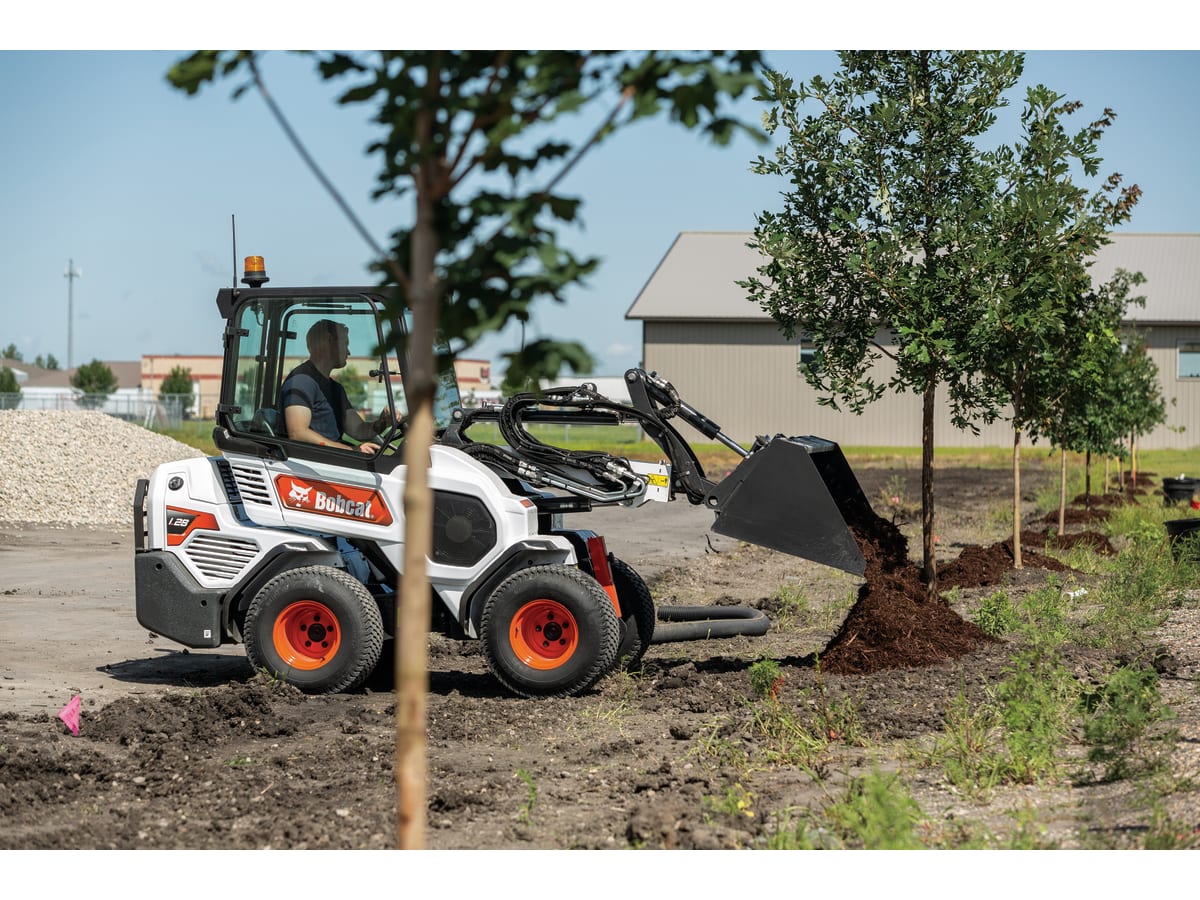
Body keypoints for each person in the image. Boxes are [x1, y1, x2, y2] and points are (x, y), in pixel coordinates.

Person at [281, 319, 396, 454]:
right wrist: (352, 450)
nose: (349, 352)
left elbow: (358, 430)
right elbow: (298, 433)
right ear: (329, 340)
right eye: (345, 344)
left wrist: (382, 422)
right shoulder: (302, 380)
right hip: (315, 464)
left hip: (331, 460)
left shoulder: (336, 389)